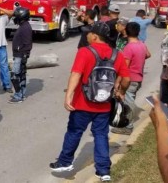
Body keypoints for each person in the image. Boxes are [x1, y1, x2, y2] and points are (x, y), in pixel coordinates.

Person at [50, 22, 130, 182]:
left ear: (94, 36)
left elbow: (76, 75)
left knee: (74, 132)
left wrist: (68, 96)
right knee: (101, 135)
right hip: (104, 105)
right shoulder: (117, 54)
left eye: (88, 33)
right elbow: (127, 78)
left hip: (82, 104)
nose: (86, 35)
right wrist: (121, 92)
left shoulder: (85, 52)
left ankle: (65, 162)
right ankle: (103, 171)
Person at [111, 22, 151, 135]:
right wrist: (138, 60)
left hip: (129, 80)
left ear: (126, 32)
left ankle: (128, 126)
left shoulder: (128, 48)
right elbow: (148, 54)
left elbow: (124, 68)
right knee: (129, 100)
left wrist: (117, 82)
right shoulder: (142, 44)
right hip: (138, 78)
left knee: (128, 102)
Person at [7, 6, 33, 104]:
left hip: (21, 55)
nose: (15, 18)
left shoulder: (25, 27)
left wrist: (24, 56)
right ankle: (21, 94)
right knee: (21, 75)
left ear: (21, 17)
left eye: (16, 16)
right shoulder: (24, 26)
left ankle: (18, 96)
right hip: (19, 54)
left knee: (15, 76)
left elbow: (27, 44)